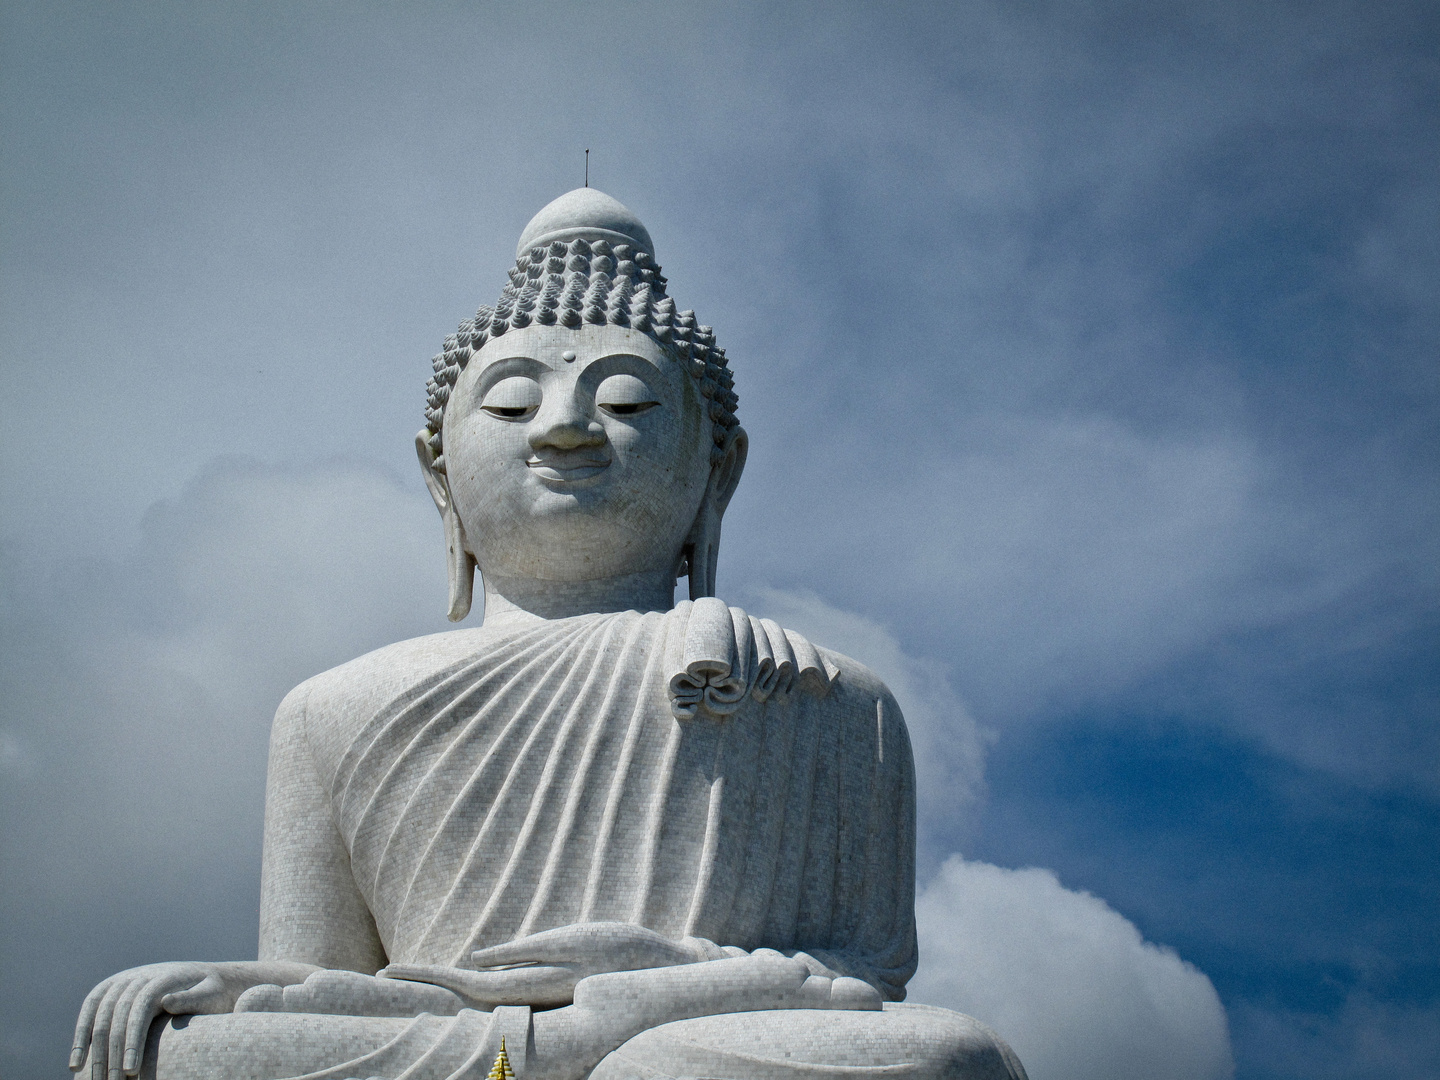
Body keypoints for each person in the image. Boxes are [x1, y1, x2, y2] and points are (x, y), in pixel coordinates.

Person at [70, 189, 1027, 1080]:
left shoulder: (825, 697)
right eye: (512, 404)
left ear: (718, 471)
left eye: (626, 403)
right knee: (179, 1055)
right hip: (445, 1044)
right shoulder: (329, 711)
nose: (564, 429)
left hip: (680, 1047)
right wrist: (238, 990)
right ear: (439, 473)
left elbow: (850, 984)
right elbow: (330, 986)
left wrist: (627, 995)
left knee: (952, 1057)